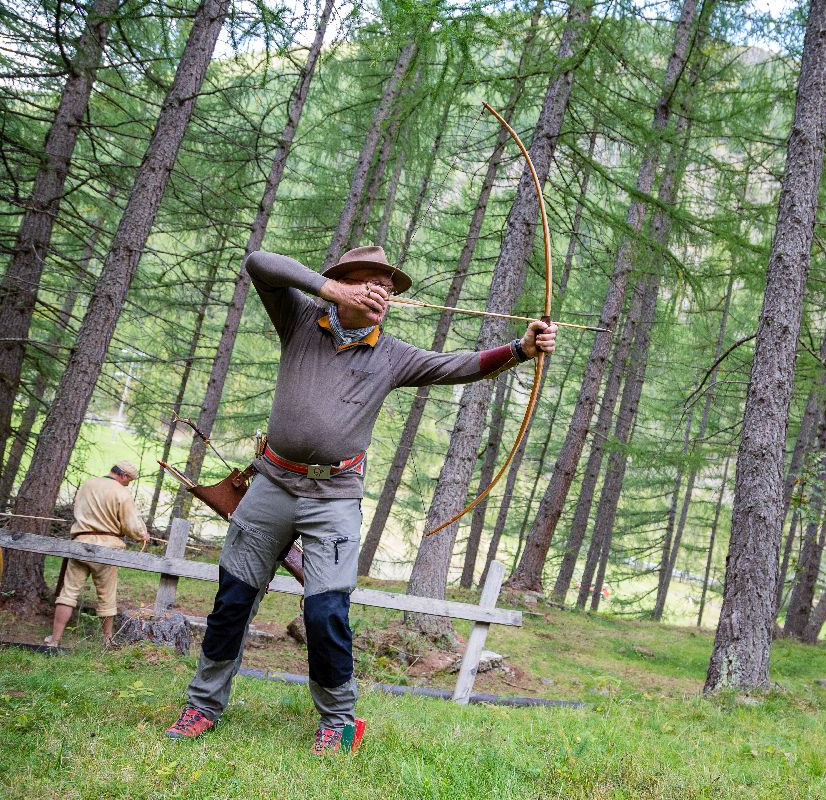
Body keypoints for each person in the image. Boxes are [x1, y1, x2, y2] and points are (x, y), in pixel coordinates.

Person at [165, 245, 557, 753]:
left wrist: (521, 349)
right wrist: (328, 290)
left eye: (388, 289)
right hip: (272, 486)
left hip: (335, 497)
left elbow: (459, 365)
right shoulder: (301, 318)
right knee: (232, 601)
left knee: (326, 612)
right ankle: (202, 705)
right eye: (371, 282)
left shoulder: (392, 356)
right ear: (344, 282)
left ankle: (338, 719)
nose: (382, 293)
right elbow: (259, 262)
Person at [45, 461, 150, 647]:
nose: (128, 484)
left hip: (80, 544)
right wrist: (142, 534)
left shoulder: (88, 484)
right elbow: (131, 524)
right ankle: (107, 641)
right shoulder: (122, 492)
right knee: (107, 597)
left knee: (68, 593)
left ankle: (54, 640)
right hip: (107, 549)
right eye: (129, 480)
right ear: (124, 476)